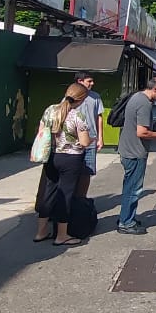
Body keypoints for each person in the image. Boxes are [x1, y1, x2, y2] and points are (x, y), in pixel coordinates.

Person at [34, 82, 93, 246]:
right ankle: (62, 235)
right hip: (71, 159)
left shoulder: (50, 110)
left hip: (51, 156)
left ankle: (41, 231)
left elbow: (41, 131)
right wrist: (92, 139)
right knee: (65, 195)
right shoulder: (78, 116)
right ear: (81, 100)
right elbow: (84, 142)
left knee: (49, 192)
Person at [116, 74, 156, 235]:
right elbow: (142, 132)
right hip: (135, 152)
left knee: (129, 187)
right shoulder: (144, 104)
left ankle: (126, 217)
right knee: (133, 189)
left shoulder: (136, 97)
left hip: (127, 149)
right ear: (155, 89)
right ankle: (126, 223)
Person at [72, 72, 104, 196]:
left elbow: (99, 117)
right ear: (80, 81)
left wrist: (100, 138)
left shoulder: (95, 97)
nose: (92, 83)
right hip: (74, 140)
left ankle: (82, 198)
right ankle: (71, 197)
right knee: (73, 170)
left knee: (87, 171)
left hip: (91, 139)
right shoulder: (71, 96)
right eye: (89, 81)